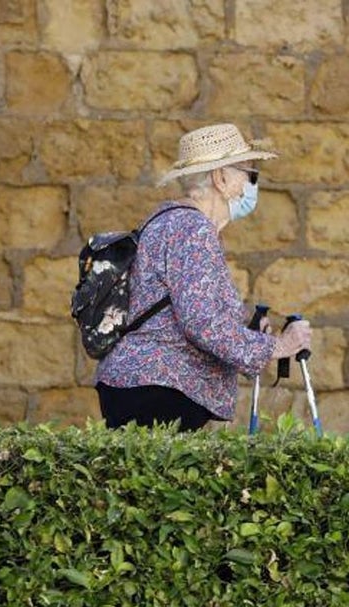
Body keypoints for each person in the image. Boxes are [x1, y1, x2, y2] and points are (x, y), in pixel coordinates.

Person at [95, 123, 312, 432]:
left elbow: (181, 311)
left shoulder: (167, 221)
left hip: (140, 384)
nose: (251, 186)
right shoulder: (193, 230)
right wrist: (276, 347)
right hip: (161, 387)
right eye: (249, 174)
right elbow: (202, 323)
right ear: (221, 178)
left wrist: (247, 333)